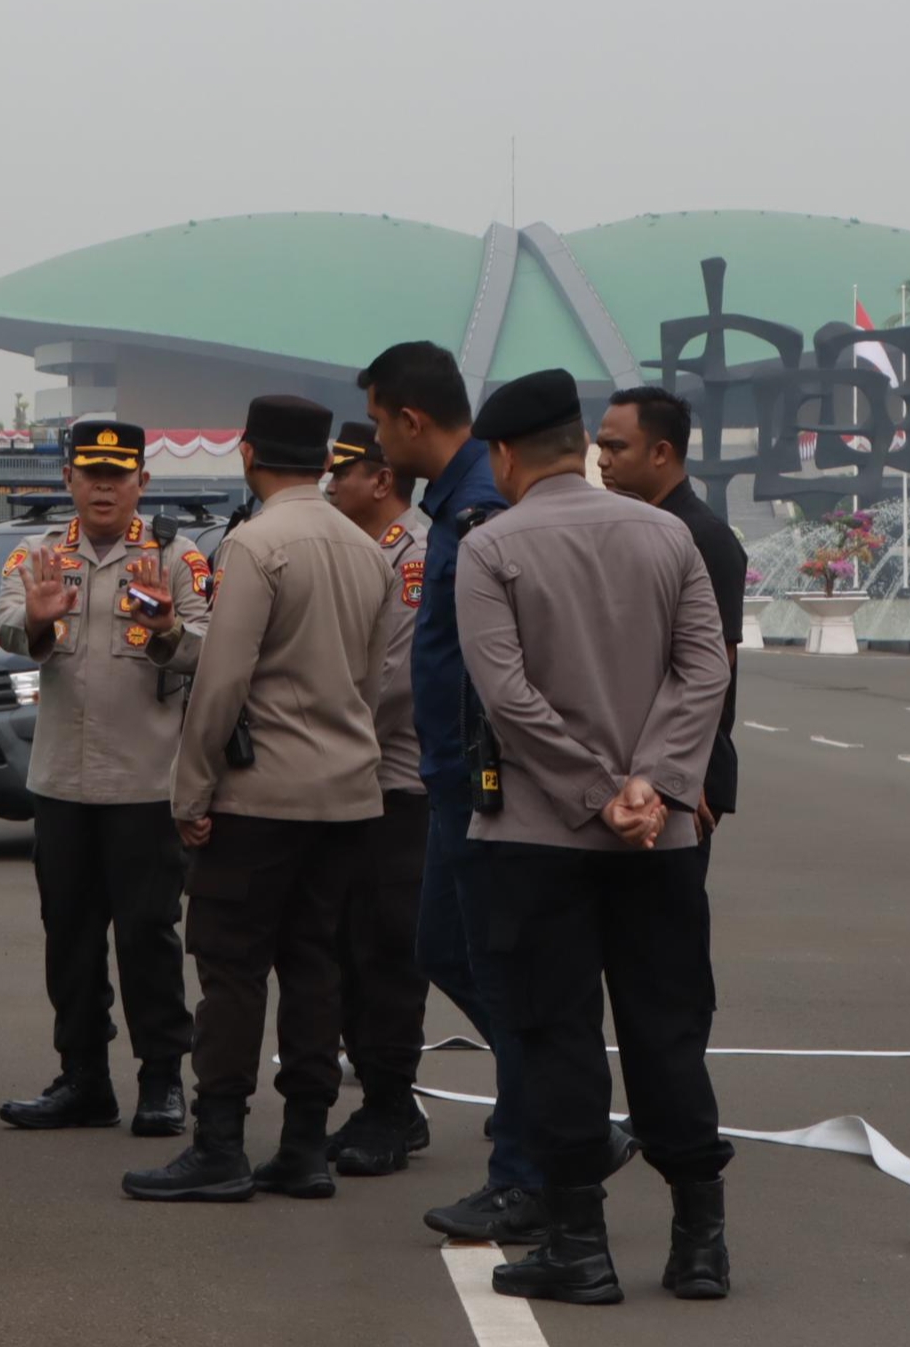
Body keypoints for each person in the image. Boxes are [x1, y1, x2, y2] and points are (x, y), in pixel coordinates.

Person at [454, 368, 734, 1306]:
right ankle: (700, 1240)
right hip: (661, 839)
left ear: (501, 454)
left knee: (554, 1033)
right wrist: (649, 784)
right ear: (578, 442)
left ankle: (580, 1246)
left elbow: (506, 697)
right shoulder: (669, 535)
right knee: (667, 1027)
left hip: (536, 837)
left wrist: (591, 792)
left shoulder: (489, 547)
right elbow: (704, 671)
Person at [124, 396, 394, 1205]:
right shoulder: (366, 548)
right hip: (345, 791)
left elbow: (221, 681)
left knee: (232, 968)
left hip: (259, 793)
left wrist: (190, 788)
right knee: (314, 966)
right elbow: (371, 681)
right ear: (322, 459)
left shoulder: (255, 543)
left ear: (248, 453)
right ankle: (305, 1143)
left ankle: (219, 1143)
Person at [358, 340, 546, 1243]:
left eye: (374, 421)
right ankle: (562, 1115)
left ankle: (534, 1154)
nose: (371, 441)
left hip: (480, 783)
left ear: (410, 420)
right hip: (449, 778)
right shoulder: (457, 503)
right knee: (446, 948)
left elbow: (493, 668)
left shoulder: (475, 511)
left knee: (491, 964)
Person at [0, 418, 209, 1137]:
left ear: (142, 482)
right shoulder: (36, 554)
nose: (104, 486)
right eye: (90, 473)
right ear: (68, 481)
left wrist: (168, 627)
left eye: (118, 475)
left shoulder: (175, 557)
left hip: (145, 785)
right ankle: (82, 1077)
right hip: (60, 784)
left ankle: (160, 1080)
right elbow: (7, 634)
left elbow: (208, 651)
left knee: (148, 937)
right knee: (69, 937)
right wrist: (38, 617)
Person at [320, 419, 433, 1177]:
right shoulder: (366, 551)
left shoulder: (411, 554)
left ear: (381, 478)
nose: (330, 486)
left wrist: (321, 736)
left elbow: (391, 683)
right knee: (352, 948)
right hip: (358, 777)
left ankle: (390, 1105)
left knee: (387, 950)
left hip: (394, 779)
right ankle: (385, 1098)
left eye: (342, 473)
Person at [595, 385, 747, 865]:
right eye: (600, 446)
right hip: (639, 770)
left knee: (665, 927)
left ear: (661, 453)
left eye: (616, 447)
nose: (602, 461)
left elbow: (711, 672)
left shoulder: (703, 538)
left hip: (680, 776)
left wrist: (685, 776)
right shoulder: (638, 527)